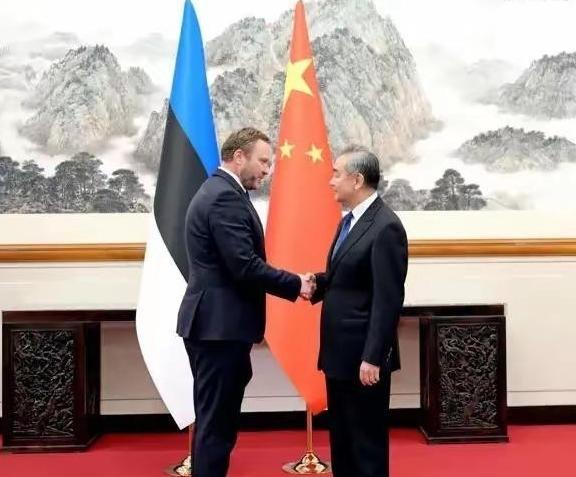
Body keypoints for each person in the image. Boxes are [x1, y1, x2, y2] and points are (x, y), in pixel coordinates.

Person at [176, 127, 315, 477]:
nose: (267, 170)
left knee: (215, 421)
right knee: (216, 425)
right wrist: (296, 284)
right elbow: (244, 265)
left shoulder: (219, 191)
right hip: (218, 329)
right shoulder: (224, 197)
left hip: (216, 326)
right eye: (263, 161)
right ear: (239, 157)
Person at [311, 145, 408, 477]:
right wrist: (314, 284)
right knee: (343, 442)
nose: (331, 181)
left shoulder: (386, 226)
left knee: (366, 446)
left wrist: (373, 356)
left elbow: (387, 299)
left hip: (363, 360)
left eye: (336, 174)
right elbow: (346, 277)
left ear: (357, 180)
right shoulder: (350, 221)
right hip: (339, 355)